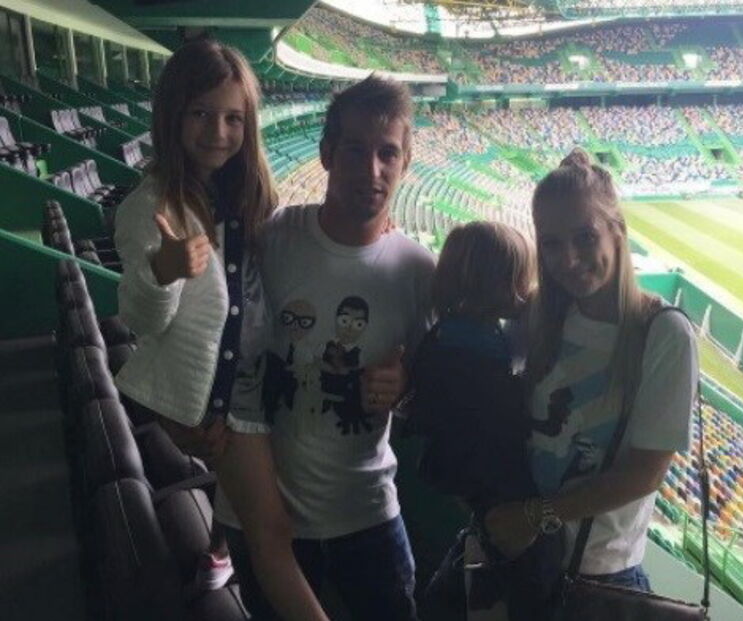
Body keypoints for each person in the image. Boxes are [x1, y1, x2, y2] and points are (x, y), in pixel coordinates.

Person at [213, 74, 435, 621]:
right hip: (265, 518)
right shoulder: (272, 238)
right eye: (356, 150)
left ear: (406, 162)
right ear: (326, 154)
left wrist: (407, 384)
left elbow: (432, 389)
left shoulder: (419, 272)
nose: (373, 169)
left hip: (367, 511)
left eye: (388, 153)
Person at [483, 149, 698, 595]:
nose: (569, 259)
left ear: (617, 232)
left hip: (601, 576)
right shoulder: (540, 315)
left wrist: (534, 517)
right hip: (525, 561)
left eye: (585, 237)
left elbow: (645, 474)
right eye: (552, 243)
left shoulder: (663, 334)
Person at [112, 38, 282, 594]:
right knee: (271, 531)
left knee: (255, 509)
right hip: (202, 403)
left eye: (234, 118)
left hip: (250, 389)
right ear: (172, 115)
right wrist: (163, 272)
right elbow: (143, 322)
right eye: (202, 114)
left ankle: (218, 551)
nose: (218, 132)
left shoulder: (246, 192)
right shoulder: (149, 208)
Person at [409, 221, 565, 620]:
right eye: (520, 277)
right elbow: (510, 429)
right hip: (495, 505)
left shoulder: (447, 335)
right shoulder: (479, 357)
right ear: (502, 284)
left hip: (454, 492)